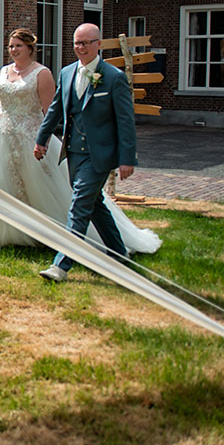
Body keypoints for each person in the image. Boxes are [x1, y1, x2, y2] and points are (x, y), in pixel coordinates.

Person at [0, 27, 159, 257]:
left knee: (57, 192)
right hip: (2, 137)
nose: (13, 50)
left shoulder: (42, 73)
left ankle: (65, 255)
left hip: (31, 136)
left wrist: (46, 139)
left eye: (18, 46)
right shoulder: (4, 72)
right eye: (11, 46)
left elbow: (51, 111)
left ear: (30, 48)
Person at [34, 23, 147, 282]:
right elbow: (55, 110)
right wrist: (41, 140)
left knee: (79, 205)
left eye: (86, 43)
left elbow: (125, 122)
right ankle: (120, 255)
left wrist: (127, 159)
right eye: (76, 43)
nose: (80, 48)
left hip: (100, 155)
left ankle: (61, 265)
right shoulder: (66, 73)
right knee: (95, 204)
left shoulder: (114, 77)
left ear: (98, 44)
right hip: (73, 152)